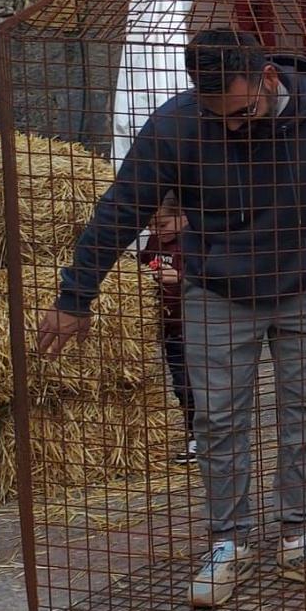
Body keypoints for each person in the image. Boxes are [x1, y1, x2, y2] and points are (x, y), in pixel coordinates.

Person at [37, 29, 306, 606]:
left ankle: (301, 537)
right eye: (221, 117)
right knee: (218, 420)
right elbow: (119, 211)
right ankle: (228, 542)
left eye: (243, 111)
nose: (235, 126)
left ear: (268, 77)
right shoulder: (177, 123)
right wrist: (75, 297)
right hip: (217, 289)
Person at [138, 196, 195, 462]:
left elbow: (211, 275)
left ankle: (203, 439)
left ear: (183, 216)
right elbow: (141, 264)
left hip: (192, 325)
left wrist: (183, 279)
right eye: (150, 225)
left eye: (161, 224)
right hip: (169, 326)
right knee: (181, 385)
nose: (155, 231)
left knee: (196, 384)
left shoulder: (191, 241)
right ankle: (194, 435)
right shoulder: (154, 242)